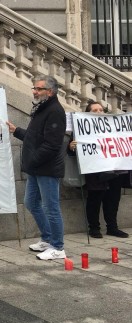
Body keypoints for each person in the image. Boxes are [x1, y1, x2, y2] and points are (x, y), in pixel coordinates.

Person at [6, 75, 67, 260]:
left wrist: (33, 160)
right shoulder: (42, 108)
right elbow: (35, 138)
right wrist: (16, 131)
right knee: (31, 203)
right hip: (37, 168)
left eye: (39, 89)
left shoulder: (55, 111)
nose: (34, 91)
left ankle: (58, 247)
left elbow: (52, 145)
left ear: (50, 91)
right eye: (34, 88)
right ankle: (48, 239)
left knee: (51, 207)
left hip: (46, 169)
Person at [68, 101, 130, 239]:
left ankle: (112, 227)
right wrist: (71, 147)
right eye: (94, 110)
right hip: (95, 172)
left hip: (115, 171)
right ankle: (94, 228)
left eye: (101, 109)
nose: (98, 112)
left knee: (113, 200)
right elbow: (75, 151)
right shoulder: (81, 128)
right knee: (94, 200)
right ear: (88, 112)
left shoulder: (114, 127)